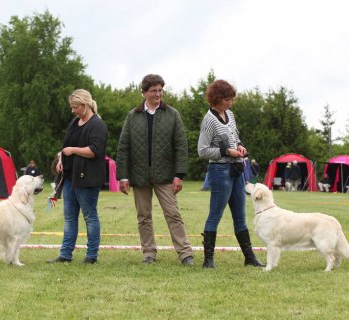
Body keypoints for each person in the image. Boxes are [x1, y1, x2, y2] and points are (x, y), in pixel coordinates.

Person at [116, 74, 194, 266]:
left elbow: (181, 146)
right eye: (153, 90)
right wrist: (123, 176)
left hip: (165, 175)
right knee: (144, 217)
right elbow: (123, 147)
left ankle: (185, 254)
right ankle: (148, 253)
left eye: (160, 90)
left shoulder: (173, 114)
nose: (158, 94)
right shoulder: (132, 116)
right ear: (144, 93)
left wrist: (179, 174)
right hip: (139, 175)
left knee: (173, 214)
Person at [197, 79, 263, 269]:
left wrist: (240, 147)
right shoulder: (209, 120)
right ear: (217, 98)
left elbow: (235, 136)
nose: (230, 103)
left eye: (231, 99)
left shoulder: (230, 115)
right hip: (219, 171)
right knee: (215, 215)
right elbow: (202, 150)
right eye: (227, 99)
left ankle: (249, 258)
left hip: (237, 170)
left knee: (240, 216)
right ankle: (208, 260)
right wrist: (226, 152)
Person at [46, 89, 108, 265]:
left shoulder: (97, 125)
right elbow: (65, 146)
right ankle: (65, 255)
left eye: (76, 107)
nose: (73, 110)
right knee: (69, 217)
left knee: (90, 216)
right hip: (69, 178)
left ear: (86, 104)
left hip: (87, 179)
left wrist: (73, 151)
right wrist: (61, 159)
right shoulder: (75, 122)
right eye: (72, 107)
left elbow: (94, 151)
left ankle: (91, 256)